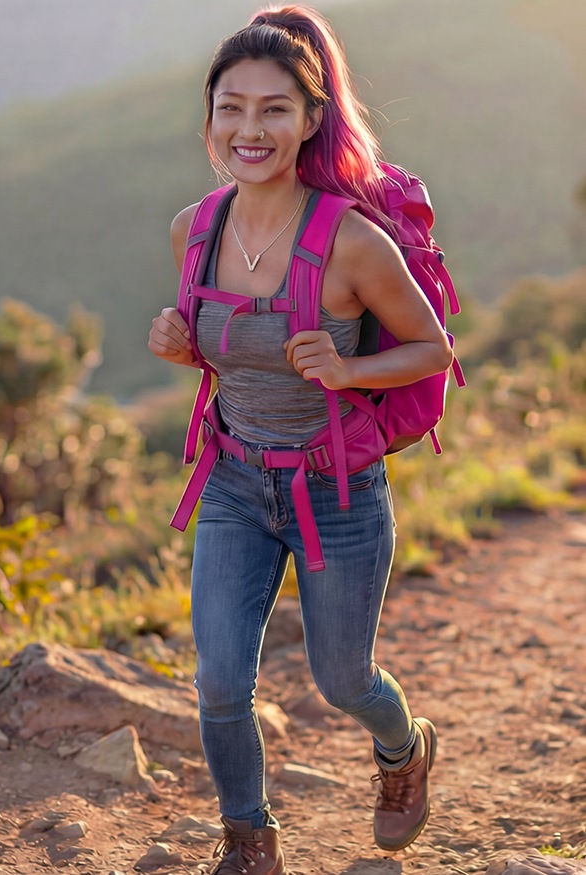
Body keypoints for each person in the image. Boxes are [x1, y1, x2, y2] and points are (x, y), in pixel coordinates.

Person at [148, 6, 453, 873]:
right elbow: (233, 360)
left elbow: (433, 347)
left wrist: (351, 370)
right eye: (232, 107)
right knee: (217, 683)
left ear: (311, 118)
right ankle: (250, 838)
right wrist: (178, 345)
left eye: (275, 108)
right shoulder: (193, 231)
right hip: (236, 482)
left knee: (343, 680)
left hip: (339, 491)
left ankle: (404, 751)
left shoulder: (352, 241)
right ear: (209, 116)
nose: (251, 128)